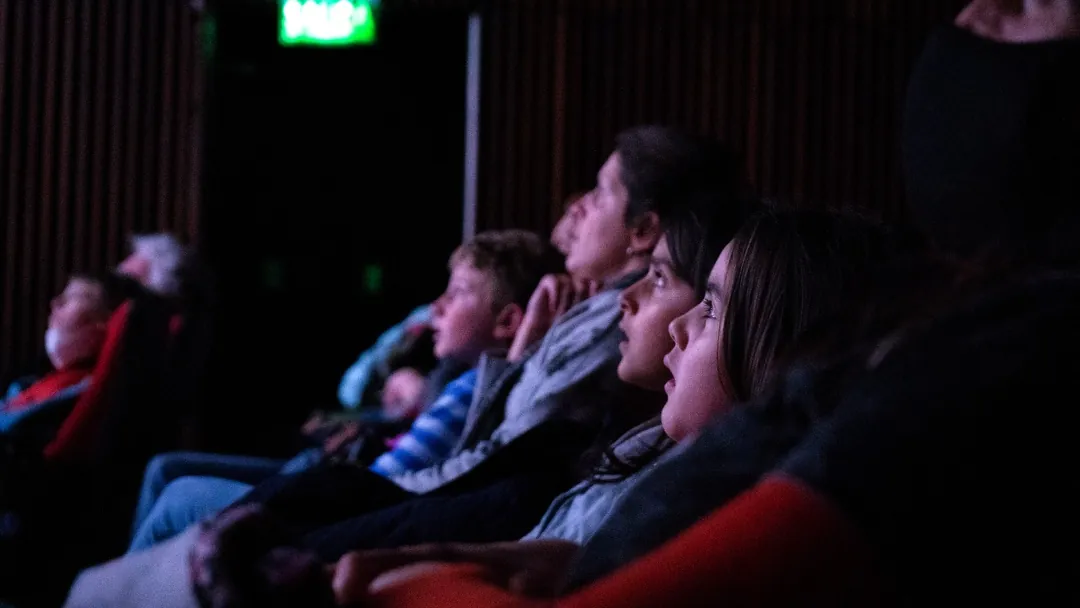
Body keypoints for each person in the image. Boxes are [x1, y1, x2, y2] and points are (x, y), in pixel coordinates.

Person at [128, 230, 561, 552]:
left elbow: (383, 483)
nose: (437, 306)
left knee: (178, 493)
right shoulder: (458, 376)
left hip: (340, 504)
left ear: (507, 321)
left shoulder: (470, 389)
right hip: (334, 484)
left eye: (458, 293)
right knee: (171, 475)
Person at [0, 276, 123, 431]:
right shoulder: (26, 383)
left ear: (102, 325)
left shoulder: (84, 397)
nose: (55, 303)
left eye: (73, 297)